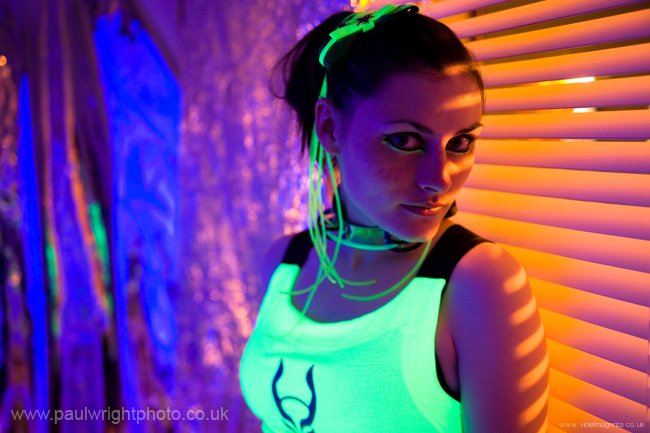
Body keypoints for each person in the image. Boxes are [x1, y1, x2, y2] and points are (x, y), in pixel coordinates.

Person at [240, 4, 549, 432]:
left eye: (460, 143)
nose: (439, 179)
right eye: (405, 140)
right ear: (329, 128)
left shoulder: (477, 282)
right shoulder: (284, 262)